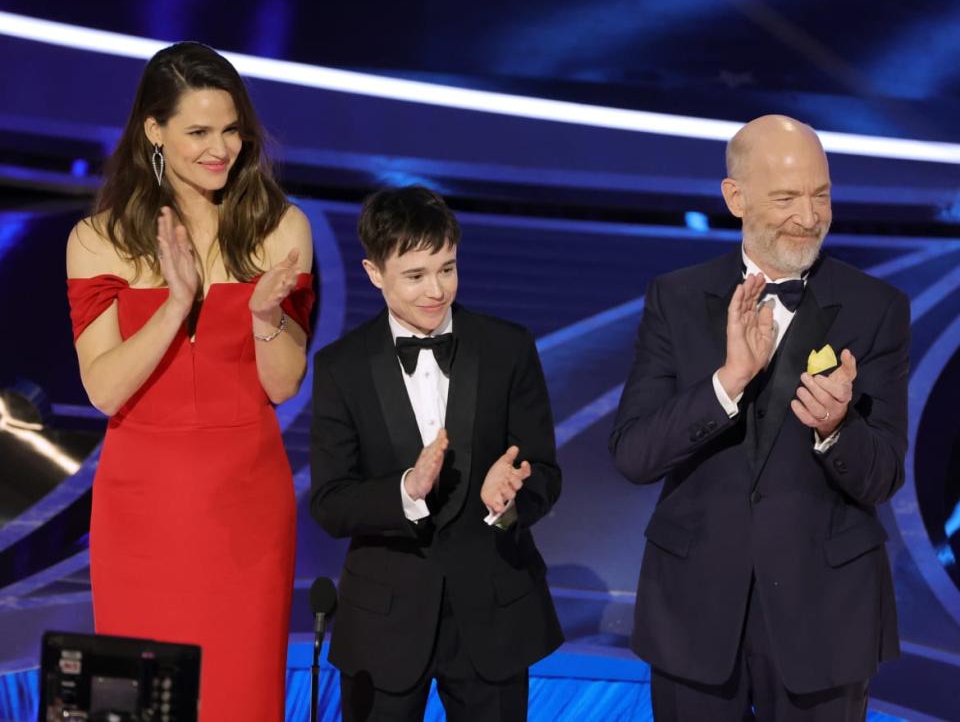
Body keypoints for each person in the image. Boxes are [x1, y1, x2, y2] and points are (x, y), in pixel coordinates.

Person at [610, 115, 909, 721]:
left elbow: (884, 476)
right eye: (786, 197)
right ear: (734, 197)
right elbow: (634, 454)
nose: (809, 214)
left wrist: (835, 430)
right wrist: (726, 384)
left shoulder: (877, 308)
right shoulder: (674, 297)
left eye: (820, 194)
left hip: (825, 618)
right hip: (693, 614)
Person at [65, 42, 314, 721]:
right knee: (146, 700)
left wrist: (265, 315)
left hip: (247, 509)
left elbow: (285, 381)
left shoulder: (279, 227)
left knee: (240, 695)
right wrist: (176, 303)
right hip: (141, 508)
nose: (221, 148)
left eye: (231, 130)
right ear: (154, 129)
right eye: (199, 132)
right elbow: (105, 389)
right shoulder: (98, 239)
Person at [309, 186, 563, 721]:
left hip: (493, 615)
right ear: (374, 272)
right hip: (384, 623)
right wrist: (406, 492)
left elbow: (544, 470)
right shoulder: (341, 366)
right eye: (416, 275)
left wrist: (509, 498)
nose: (436, 290)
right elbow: (331, 502)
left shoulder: (507, 347)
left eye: (447, 269)